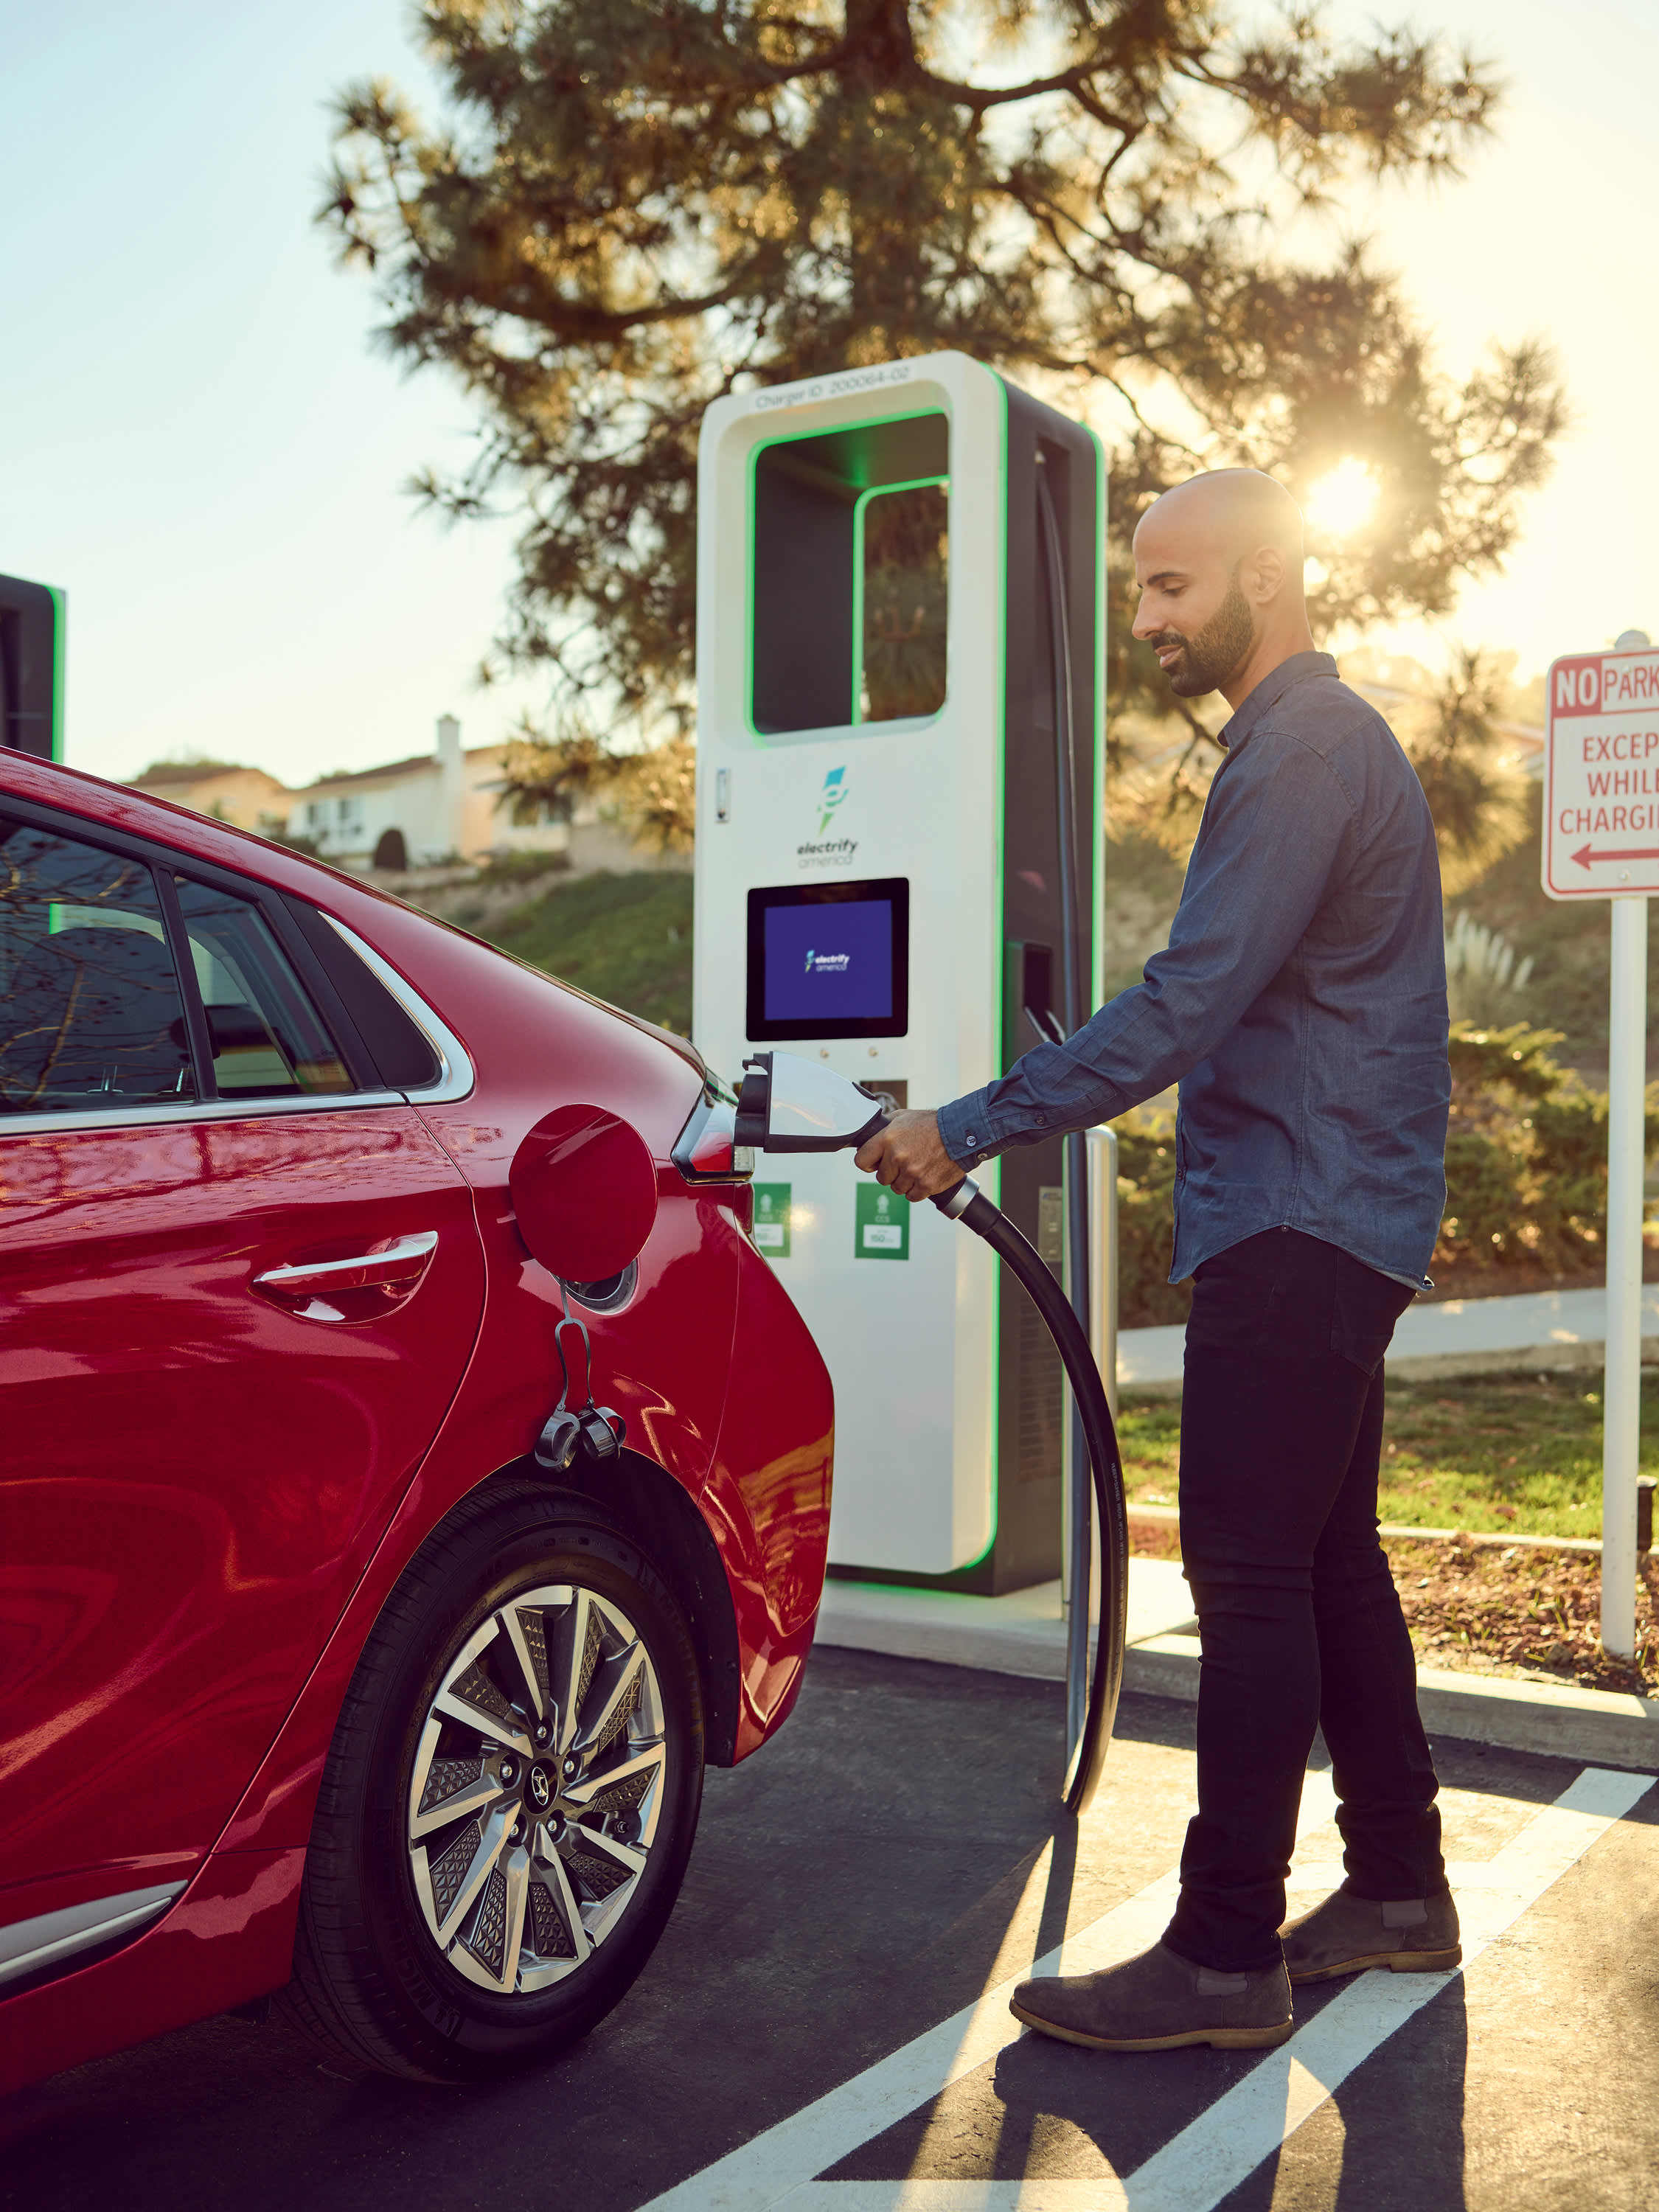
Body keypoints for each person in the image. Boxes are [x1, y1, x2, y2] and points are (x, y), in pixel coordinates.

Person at [855, 467, 1456, 2053]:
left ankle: (1220, 1954)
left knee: (1249, 1578)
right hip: (1333, 1211)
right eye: (1137, 592)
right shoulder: (1305, 745)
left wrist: (970, 1123)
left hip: (1297, 1214)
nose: (1147, 622)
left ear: (1267, 575)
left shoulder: (1307, 748)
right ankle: (1399, 1885)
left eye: (1174, 589)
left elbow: (1186, 1004)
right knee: (1329, 1562)